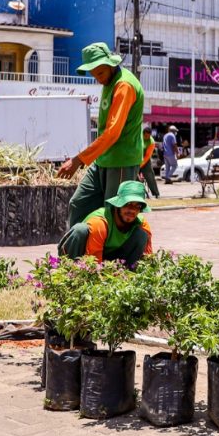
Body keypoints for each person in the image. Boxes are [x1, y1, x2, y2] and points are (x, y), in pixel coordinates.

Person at [57, 43, 145, 228]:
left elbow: (112, 132)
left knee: (114, 215)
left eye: (100, 73)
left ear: (111, 65)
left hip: (122, 161)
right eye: (93, 74)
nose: (97, 78)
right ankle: (74, 254)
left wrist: (78, 160)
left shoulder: (124, 86)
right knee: (78, 204)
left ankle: (114, 257)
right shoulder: (110, 82)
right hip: (102, 160)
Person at [58, 180, 153, 268]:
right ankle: (68, 269)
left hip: (109, 258)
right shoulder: (100, 223)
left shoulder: (141, 223)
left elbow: (148, 258)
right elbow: (93, 260)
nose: (132, 210)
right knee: (80, 230)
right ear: (117, 205)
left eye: (137, 206)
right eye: (128, 204)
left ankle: (128, 275)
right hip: (84, 256)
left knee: (141, 235)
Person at [139, 127, 161, 197]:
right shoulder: (138, 137)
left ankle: (156, 193)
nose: (147, 137)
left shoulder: (151, 142)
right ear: (143, 134)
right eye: (145, 136)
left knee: (150, 176)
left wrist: (140, 165)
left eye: (148, 136)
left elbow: (148, 156)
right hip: (136, 157)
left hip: (145, 160)